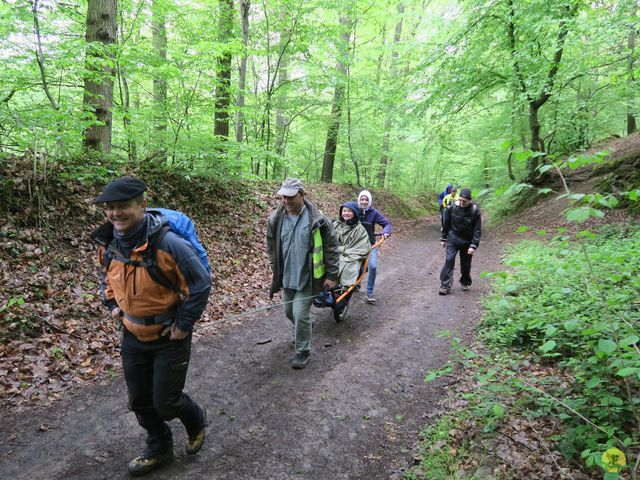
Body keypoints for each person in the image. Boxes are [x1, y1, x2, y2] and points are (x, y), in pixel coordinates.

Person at [91, 177, 211, 476]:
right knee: (140, 401)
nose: (115, 214)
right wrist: (113, 306)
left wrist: (184, 325)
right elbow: (108, 277)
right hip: (132, 334)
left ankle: (196, 420)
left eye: (123, 207)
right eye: (110, 208)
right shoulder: (108, 242)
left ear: (142, 205)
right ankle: (159, 448)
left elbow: (201, 284)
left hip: (169, 336)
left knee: (167, 403)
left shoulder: (169, 244)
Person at [267, 178, 340, 369]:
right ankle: (305, 326)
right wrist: (275, 267)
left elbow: (331, 248)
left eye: (290, 196)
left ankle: (303, 351)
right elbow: (271, 245)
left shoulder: (318, 220)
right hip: (286, 276)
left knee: (299, 314)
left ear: (302, 195)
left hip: (309, 278)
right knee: (288, 311)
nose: (286, 200)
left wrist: (332, 276)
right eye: (283, 196)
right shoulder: (276, 218)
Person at [439, 188, 482, 295]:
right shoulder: (452, 208)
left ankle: (465, 281)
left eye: (464, 201)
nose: (462, 203)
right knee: (449, 260)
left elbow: (477, 230)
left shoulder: (475, 211)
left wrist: (473, 245)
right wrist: (443, 238)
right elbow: (446, 223)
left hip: (467, 242)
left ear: (469, 200)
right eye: (461, 200)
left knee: (466, 264)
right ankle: (445, 285)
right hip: (453, 239)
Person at [357, 190, 392, 304]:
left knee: (372, 266)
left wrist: (386, 232)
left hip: (371, 244)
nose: (364, 201)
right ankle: (356, 281)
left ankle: (369, 292)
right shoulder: (354, 210)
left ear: (370, 201)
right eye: (362, 199)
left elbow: (387, 223)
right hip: (355, 244)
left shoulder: (374, 213)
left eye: (366, 199)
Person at [333, 201, 371, 303]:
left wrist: (340, 250)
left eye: (349, 211)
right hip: (335, 254)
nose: (346, 213)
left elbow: (361, 247)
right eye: (344, 211)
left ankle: (343, 291)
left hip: (351, 256)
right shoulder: (335, 224)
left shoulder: (360, 229)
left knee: (347, 266)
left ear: (354, 213)